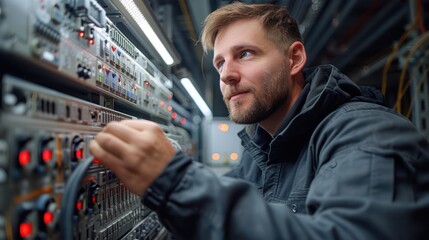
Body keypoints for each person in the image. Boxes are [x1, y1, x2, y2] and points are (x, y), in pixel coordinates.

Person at [89, 2, 429, 239]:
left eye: (245, 54)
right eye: (220, 63)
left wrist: (175, 182)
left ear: (294, 58)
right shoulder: (261, 149)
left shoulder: (366, 133)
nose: (228, 75)